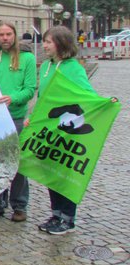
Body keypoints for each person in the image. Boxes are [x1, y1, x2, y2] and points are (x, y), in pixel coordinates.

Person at [35, 26, 113, 235]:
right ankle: (56, 213)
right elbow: (43, 98)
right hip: (49, 128)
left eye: (48, 42)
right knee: (51, 173)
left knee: (64, 174)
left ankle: (68, 219)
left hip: (67, 129)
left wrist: (106, 104)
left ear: (61, 44)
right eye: (44, 41)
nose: (44, 45)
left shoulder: (74, 68)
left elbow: (87, 95)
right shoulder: (46, 67)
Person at [0, 21, 37, 222]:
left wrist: (13, 97)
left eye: (8, 34)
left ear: (14, 36)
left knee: (17, 164)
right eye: (1, 34)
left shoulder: (27, 58)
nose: (5, 38)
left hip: (16, 117)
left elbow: (30, 89)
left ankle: (19, 205)